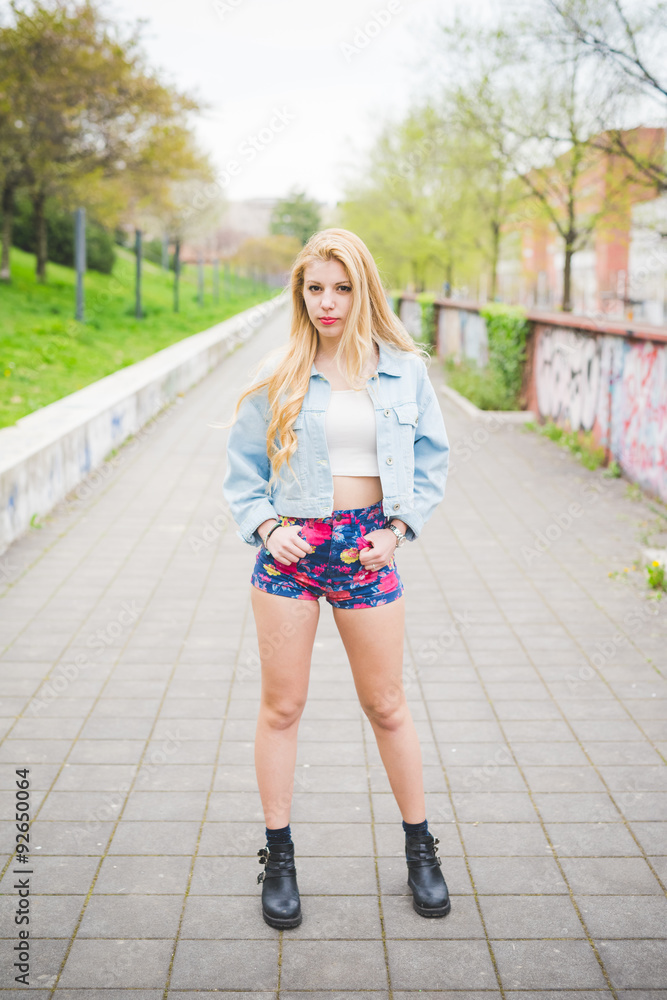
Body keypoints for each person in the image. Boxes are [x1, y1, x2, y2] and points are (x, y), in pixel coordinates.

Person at [222, 228, 451, 929]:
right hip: (292, 551)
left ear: (364, 290)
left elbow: (430, 458)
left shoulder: (403, 370)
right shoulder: (278, 373)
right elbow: (242, 474)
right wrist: (268, 530)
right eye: (315, 287)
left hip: (366, 551)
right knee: (281, 708)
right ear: (300, 292)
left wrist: (398, 530)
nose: (328, 301)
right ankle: (279, 855)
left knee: (386, 705)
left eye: (342, 287)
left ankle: (420, 848)